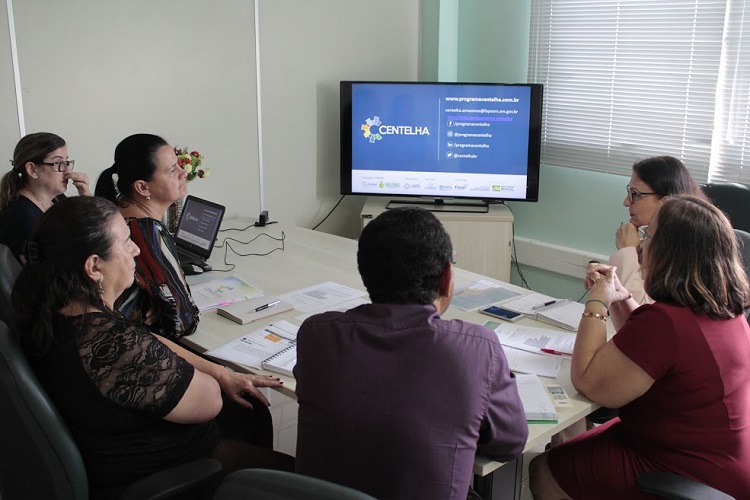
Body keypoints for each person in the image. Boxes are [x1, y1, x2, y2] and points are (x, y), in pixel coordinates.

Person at [12, 196, 293, 499]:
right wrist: (215, 379)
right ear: (94, 266)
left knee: (250, 412)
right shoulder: (109, 343)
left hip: (111, 450)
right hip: (164, 473)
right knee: (293, 474)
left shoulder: (56, 307)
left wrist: (220, 371)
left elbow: (142, 340)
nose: (135, 249)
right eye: (125, 242)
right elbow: (209, 400)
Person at [294, 206, 528, 500]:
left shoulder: (316, 333)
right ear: (446, 277)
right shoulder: (478, 347)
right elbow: (510, 443)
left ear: (365, 272)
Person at [530, 195, 750, 499]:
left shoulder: (666, 322)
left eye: (649, 234)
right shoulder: (725, 309)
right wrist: (620, 295)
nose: (641, 245)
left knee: (544, 469)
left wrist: (597, 300)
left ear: (672, 252)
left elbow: (588, 381)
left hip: (684, 471)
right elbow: (651, 349)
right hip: (720, 459)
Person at [95, 133, 198, 340]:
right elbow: (183, 323)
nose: (183, 172)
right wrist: (163, 310)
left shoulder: (114, 214)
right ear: (143, 187)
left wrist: (156, 304)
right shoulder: (145, 231)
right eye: (172, 170)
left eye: (179, 164)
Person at [605, 155, 705, 304]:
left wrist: (627, 252)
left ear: (666, 203)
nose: (626, 202)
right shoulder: (652, 240)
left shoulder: (689, 252)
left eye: (635, 195)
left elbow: (646, 315)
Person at [0, 132, 90, 262]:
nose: (67, 171)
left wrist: (86, 198)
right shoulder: (23, 218)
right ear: (33, 170)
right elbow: (42, 274)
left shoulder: (57, 199)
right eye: (59, 163)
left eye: (67, 162)